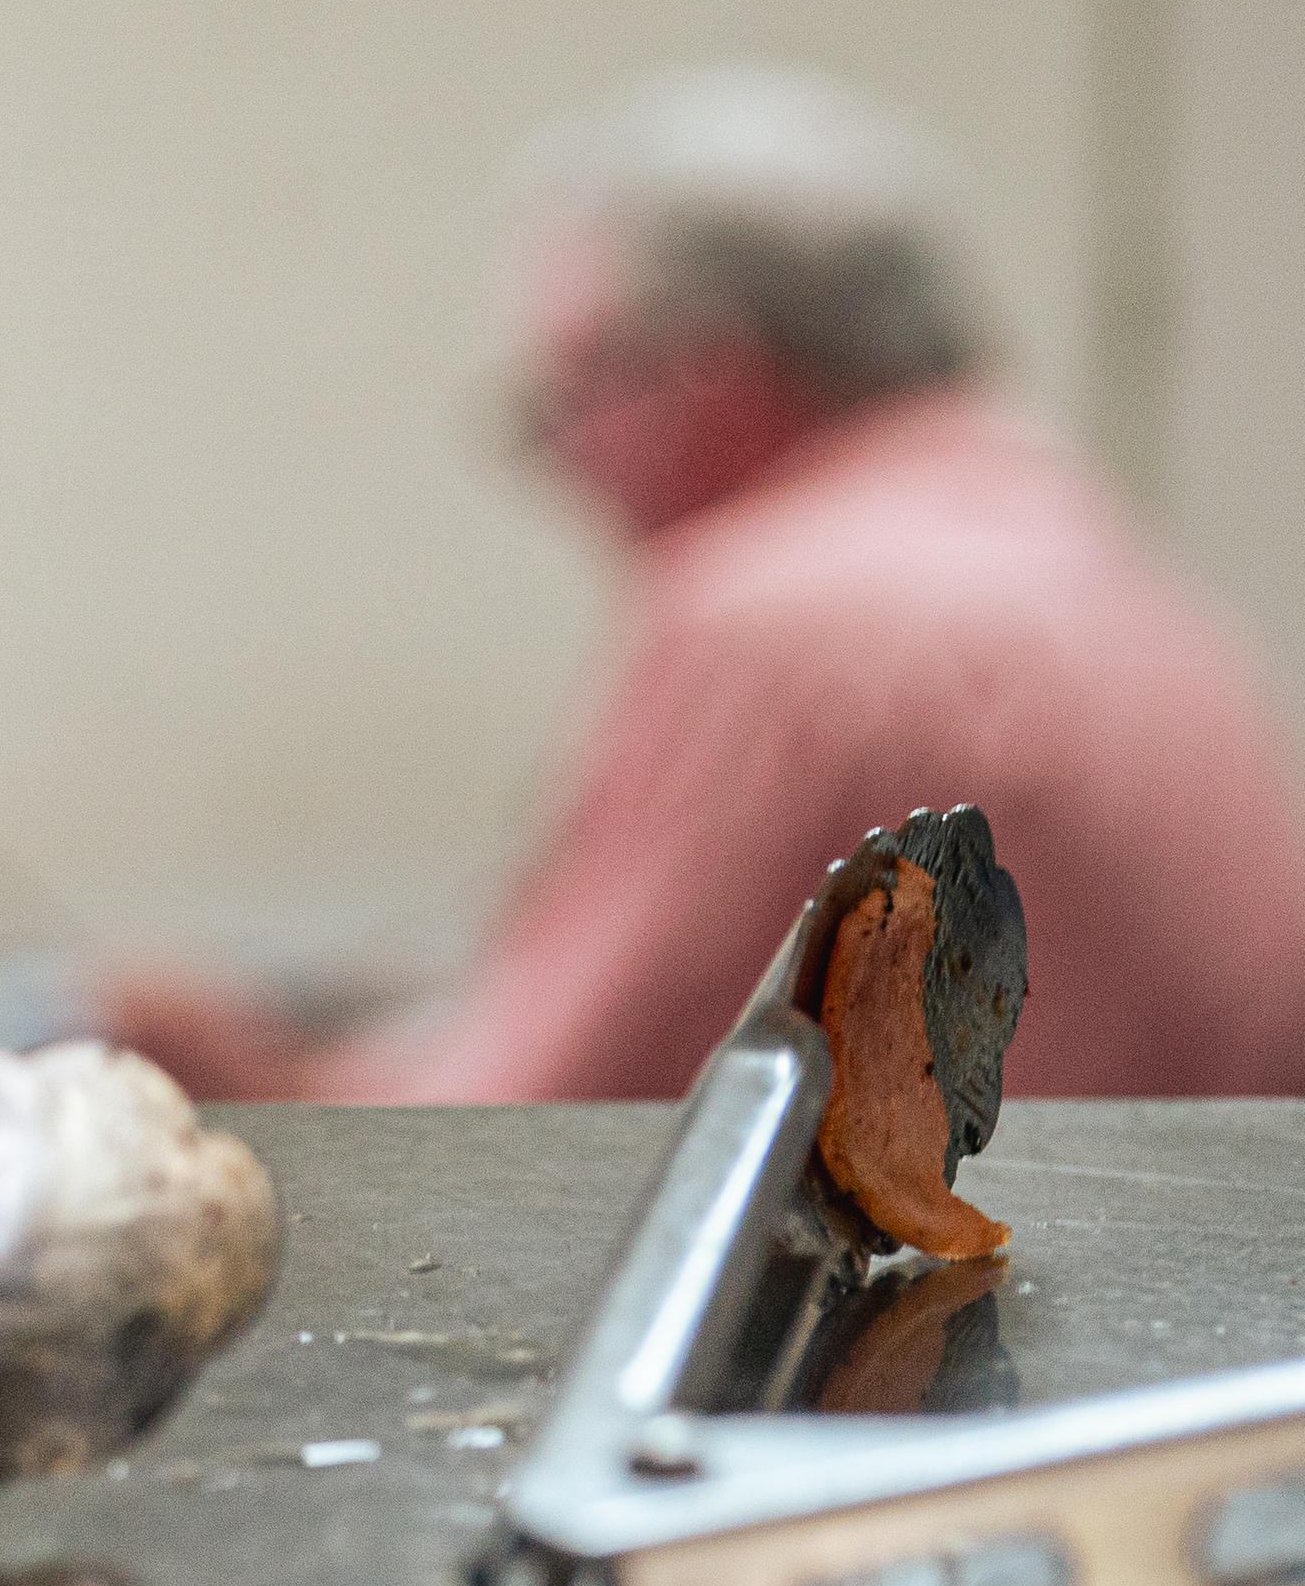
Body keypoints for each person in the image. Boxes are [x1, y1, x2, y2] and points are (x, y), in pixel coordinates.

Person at [109, 65, 1305, 1106]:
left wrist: (222, 1078)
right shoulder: (1082, 544)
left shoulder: (776, 622)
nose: (560, 471)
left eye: (562, 401)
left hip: (939, 1353)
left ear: (707, 380)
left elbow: (518, 1128)